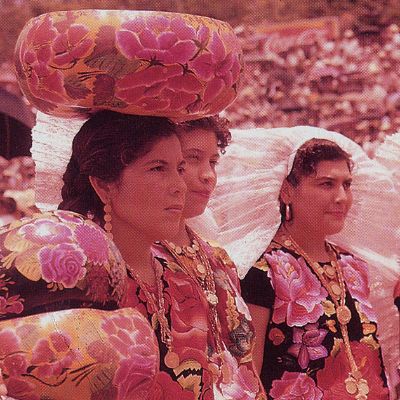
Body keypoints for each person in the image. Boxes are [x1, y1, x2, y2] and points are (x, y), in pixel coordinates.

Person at [0, 110, 187, 399]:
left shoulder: (192, 276)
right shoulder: (65, 284)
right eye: (158, 168)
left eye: (180, 169)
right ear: (103, 185)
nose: (179, 186)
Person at [204, 127, 399, 399]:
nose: (342, 197)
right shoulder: (262, 272)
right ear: (287, 192)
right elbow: (246, 377)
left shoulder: (354, 267)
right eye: (326, 184)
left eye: (346, 184)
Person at [122, 115, 266, 399]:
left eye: (213, 162)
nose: (208, 175)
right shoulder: (137, 257)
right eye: (192, 159)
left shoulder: (219, 260)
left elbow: (246, 366)